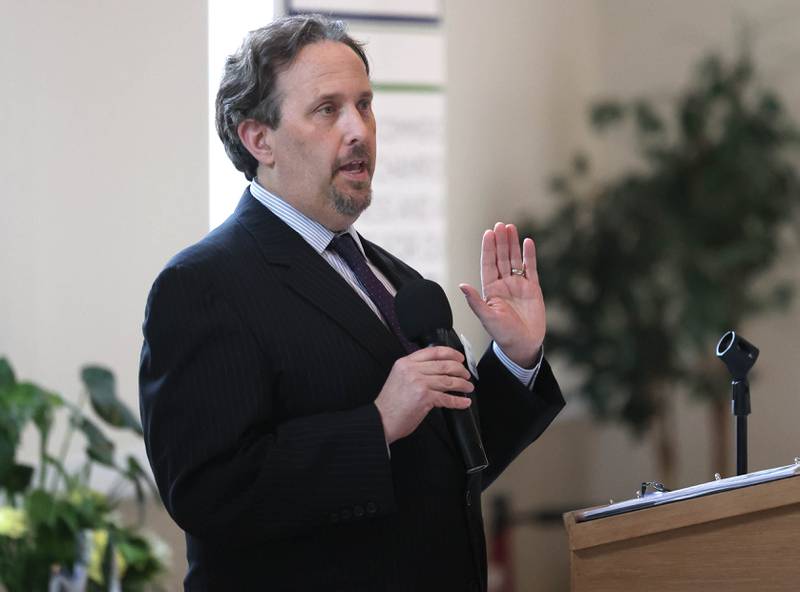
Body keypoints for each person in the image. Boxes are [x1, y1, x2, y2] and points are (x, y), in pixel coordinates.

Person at [139, 14, 564, 592]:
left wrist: (515, 358)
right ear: (258, 139)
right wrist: (376, 425)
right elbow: (209, 490)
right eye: (327, 109)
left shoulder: (394, 278)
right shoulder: (203, 284)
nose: (358, 129)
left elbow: (452, 461)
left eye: (364, 105)